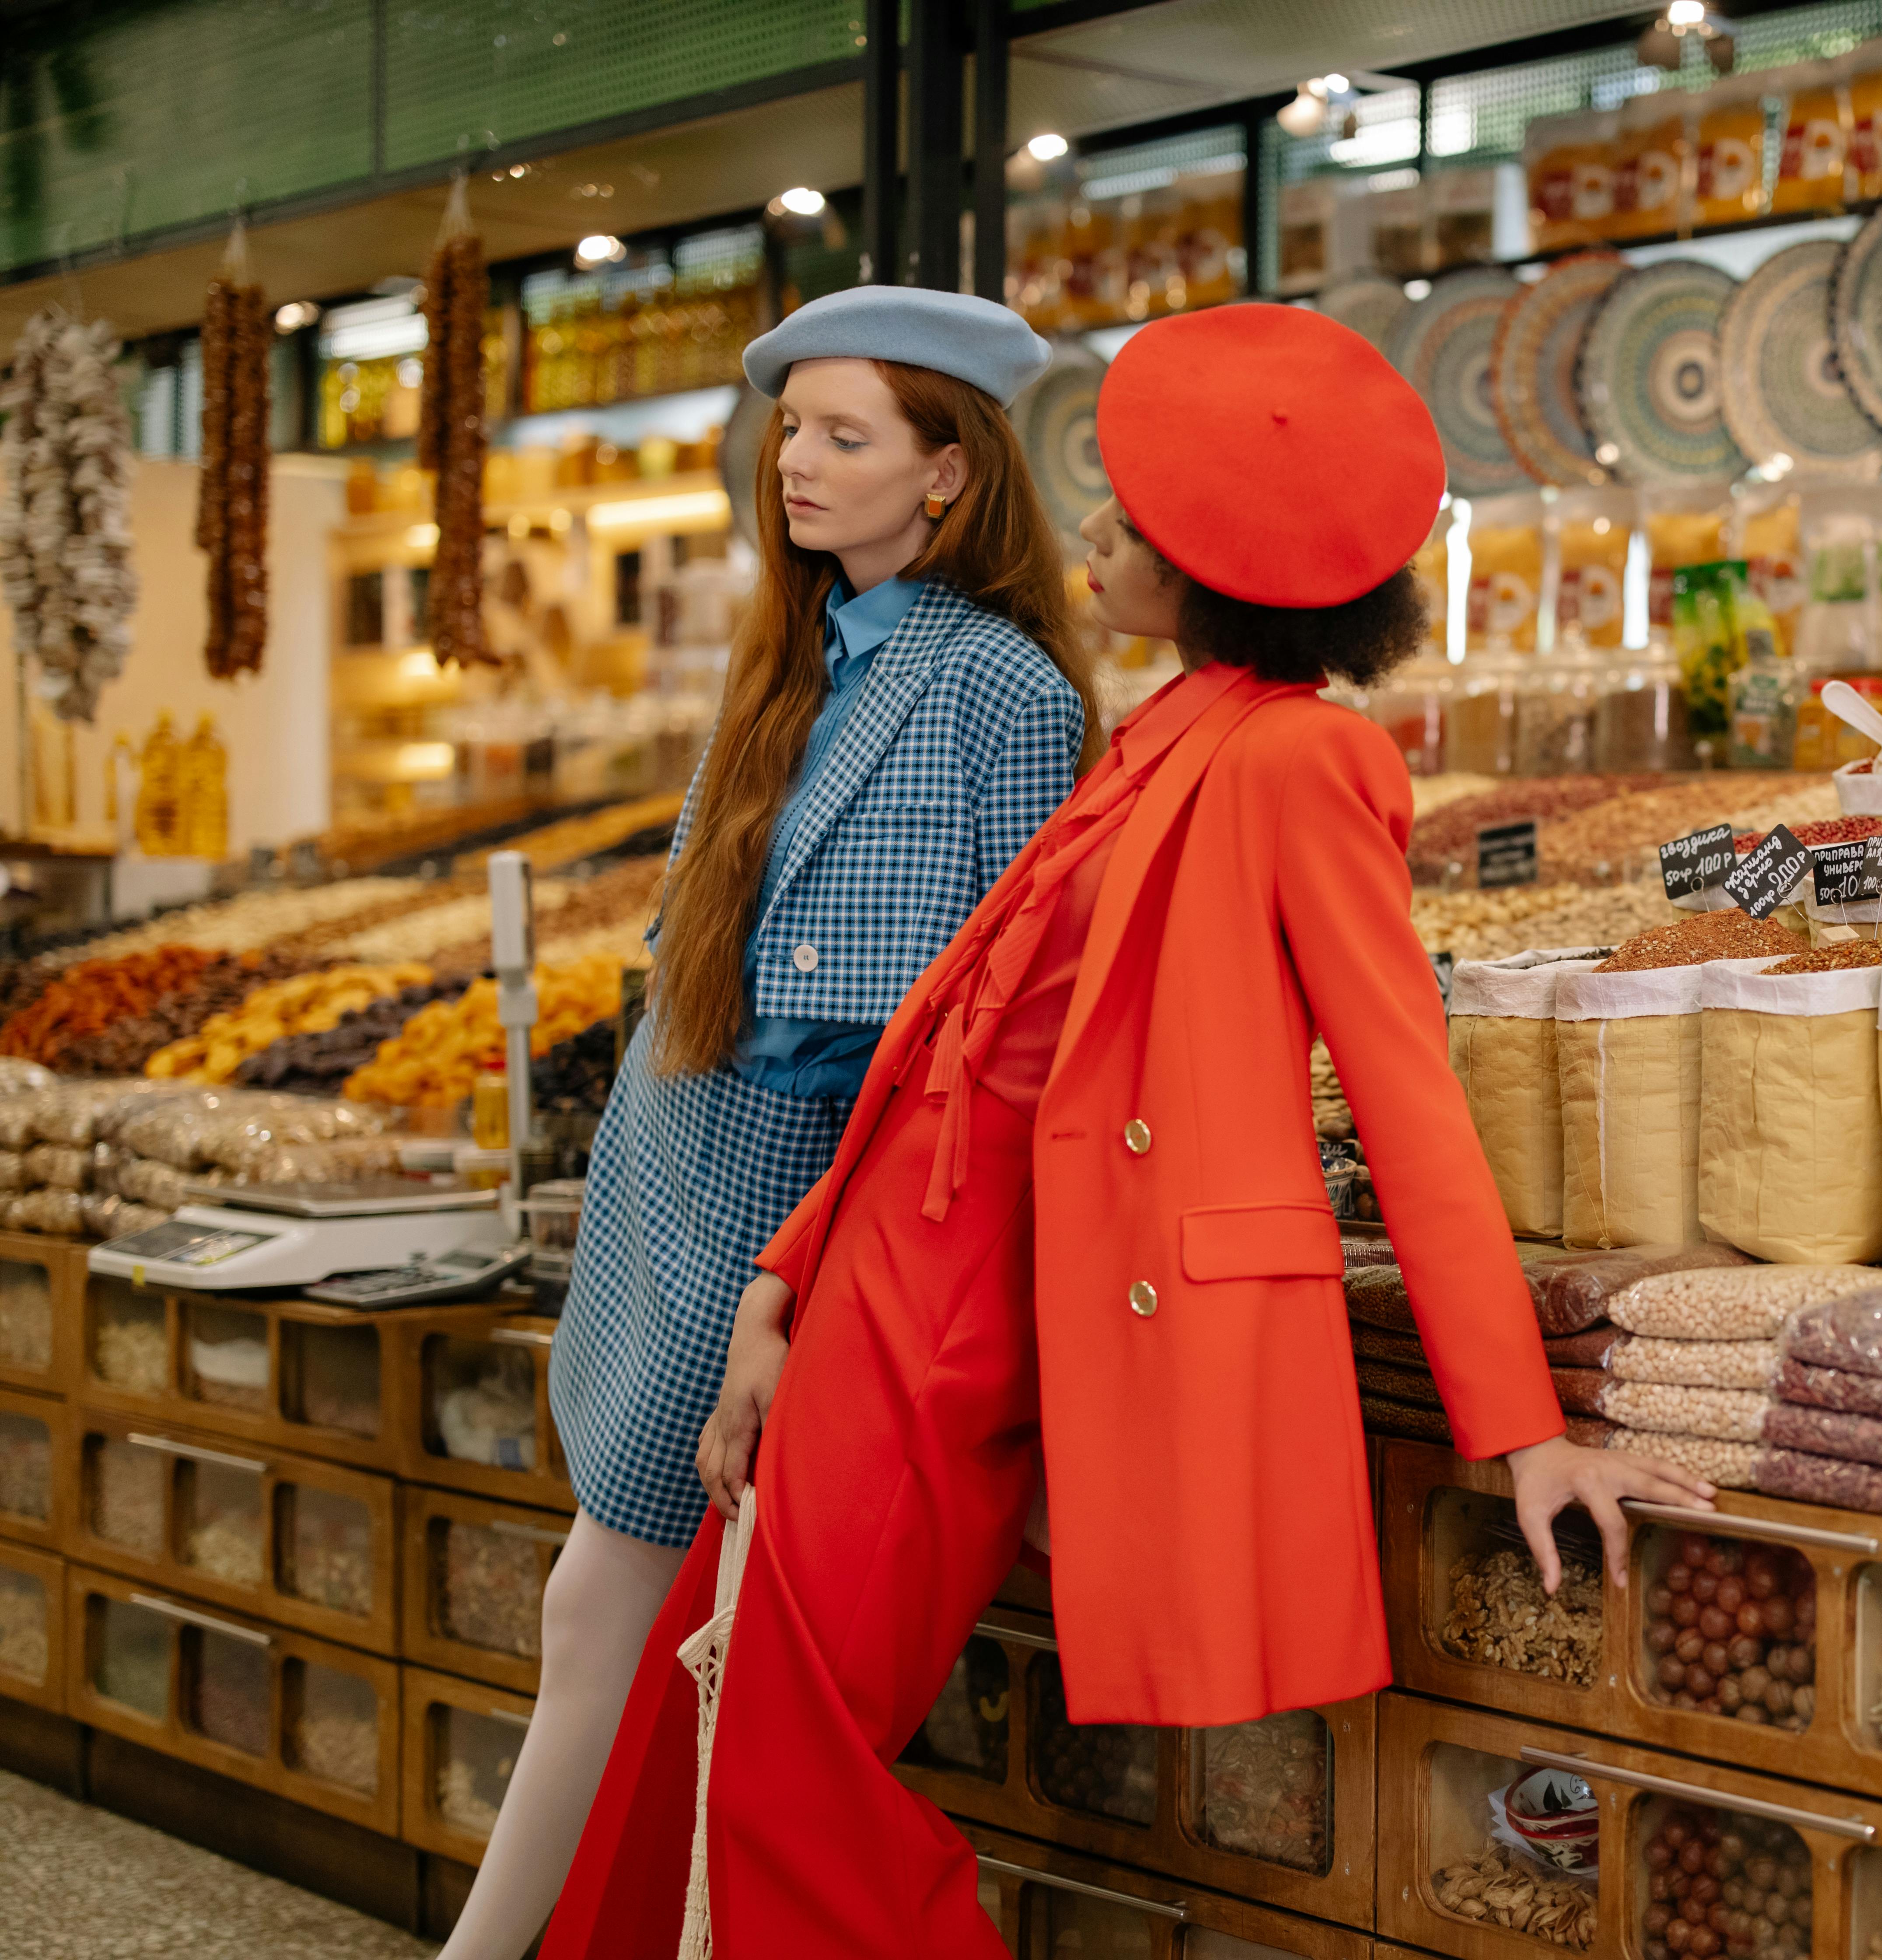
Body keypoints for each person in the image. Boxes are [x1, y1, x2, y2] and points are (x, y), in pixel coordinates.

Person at [535, 303, 1713, 1959]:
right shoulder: (1160, 728)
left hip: (969, 1321)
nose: (1089, 524)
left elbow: (1408, 1100)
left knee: (774, 1752)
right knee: (713, 1714)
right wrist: (782, 1280)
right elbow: (957, 1038)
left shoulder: (1304, 761)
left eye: (1134, 514)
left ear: (1210, 559)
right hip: (881, 1281)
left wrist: (1522, 1429)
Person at [439, 287, 1095, 1960]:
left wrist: (808, 1288)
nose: (795, 463)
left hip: (794, 1196)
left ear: (952, 470)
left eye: (844, 435)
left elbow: (974, 1022)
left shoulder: (1002, 692)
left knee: (611, 1607)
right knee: (629, 1615)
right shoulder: (798, 646)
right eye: (790, 429)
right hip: (677, 1169)